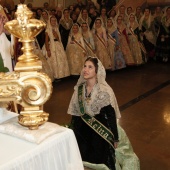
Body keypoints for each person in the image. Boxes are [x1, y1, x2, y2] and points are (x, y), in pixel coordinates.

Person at [68, 56, 140, 170]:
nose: (85, 70)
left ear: (97, 71)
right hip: (82, 131)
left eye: (90, 67)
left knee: (100, 159)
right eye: (85, 66)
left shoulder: (104, 91)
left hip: (99, 132)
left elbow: (111, 116)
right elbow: (75, 114)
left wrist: (115, 138)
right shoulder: (79, 89)